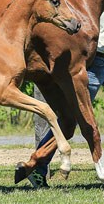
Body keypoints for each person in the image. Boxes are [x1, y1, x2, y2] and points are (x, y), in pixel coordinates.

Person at [28, 12, 104, 188]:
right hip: (96, 59)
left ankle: (37, 166)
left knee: (71, 118)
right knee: (72, 117)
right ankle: (38, 166)